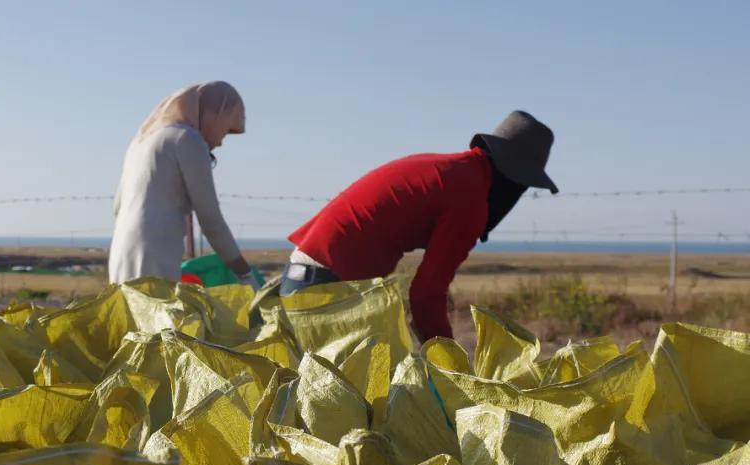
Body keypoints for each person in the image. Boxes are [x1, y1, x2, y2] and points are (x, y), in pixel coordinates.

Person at [282, 110, 557, 341]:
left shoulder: (451, 170)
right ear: (512, 178)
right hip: (329, 291)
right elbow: (426, 294)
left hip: (306, 279)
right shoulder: (469, 196)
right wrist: (446, 361)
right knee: (365, 400)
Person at [108, 81, 261, 289]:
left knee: (128, 316)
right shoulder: (187, 139)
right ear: (214, 116)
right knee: (156, 317)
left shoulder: (141, 141)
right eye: (225, 131)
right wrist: (244, 273)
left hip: (121, 248)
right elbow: (211, 221)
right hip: (156, 249)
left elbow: (117, 206)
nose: (221, 142)